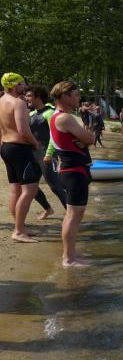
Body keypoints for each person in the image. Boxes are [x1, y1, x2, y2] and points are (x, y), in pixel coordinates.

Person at [49, 81, 95, 267]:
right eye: (76, 95)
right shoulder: (64, 118)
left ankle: (71, 254)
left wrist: (85, 139)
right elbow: (90, 138)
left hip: (73, 171)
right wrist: (86, 138)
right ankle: (68, 258)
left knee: (74, 214)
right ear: (64, 96)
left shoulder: (58, 116)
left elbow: (86, 139)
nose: (79, 98)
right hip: (73, 172)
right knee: (73, 215)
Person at [0, 73, 42, 243]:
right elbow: (23, 130)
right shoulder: (18, 103)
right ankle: (18, 231)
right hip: (19, 148)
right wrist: (35, 143)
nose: (25, 87)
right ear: (13, 86)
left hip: (6, 147)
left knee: (15, 190)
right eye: (22, 84)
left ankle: (20, 226)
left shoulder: (1, 101)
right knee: (30, 190)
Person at [26, 85, 67, 218]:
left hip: (47, 153)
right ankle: (48, 209)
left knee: (55, 186)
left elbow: (55, 135)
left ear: (38, 97)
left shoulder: (49, 113)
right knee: (30, 186)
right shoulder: (31, 114)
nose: (26, 98)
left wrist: (49, 154)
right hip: (33, 154)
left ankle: (71, 213)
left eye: (29, 96)